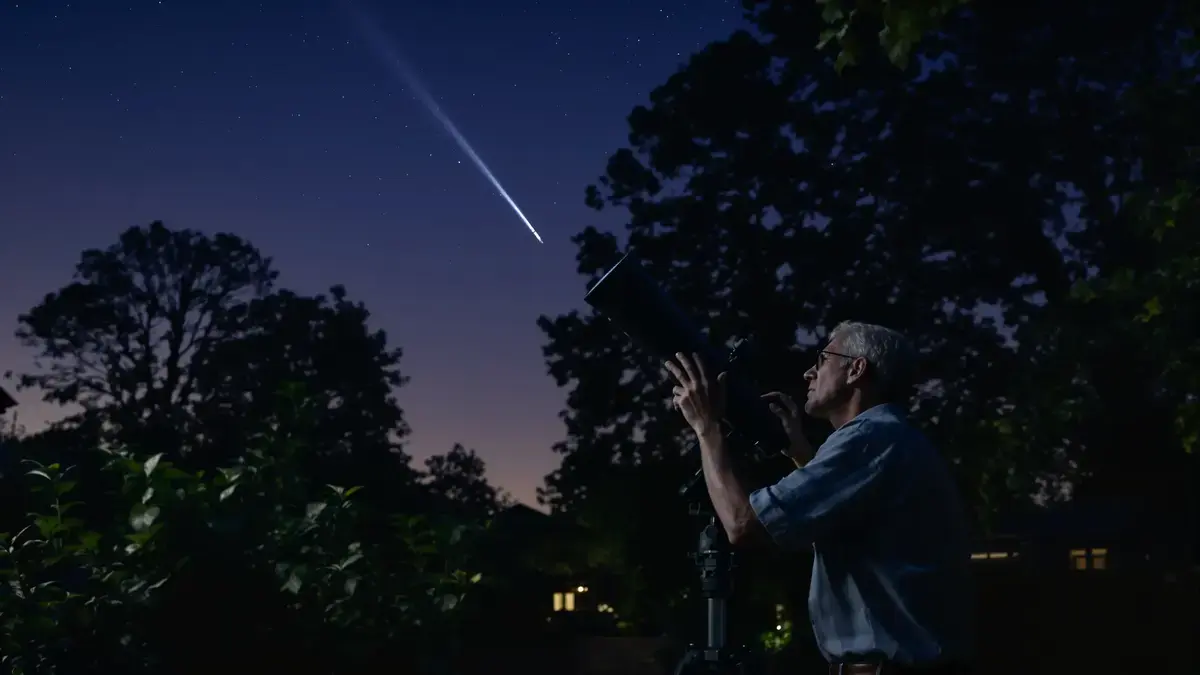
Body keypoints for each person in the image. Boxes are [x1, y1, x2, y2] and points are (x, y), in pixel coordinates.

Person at [664, 321, 974, 675]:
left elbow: (744, 525)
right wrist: (799, 453)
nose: (809, 372)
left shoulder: (871, 438)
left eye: (823, 360)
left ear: (856, 369)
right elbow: (845, 523)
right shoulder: (891, 438)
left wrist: (707, 428)